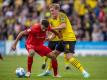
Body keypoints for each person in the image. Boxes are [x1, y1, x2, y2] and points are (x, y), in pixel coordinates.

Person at [38, 3, 90, 78]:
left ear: (57, 10)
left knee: (69, 57)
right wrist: (49, 38)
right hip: (62, 40)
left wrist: (52, 29)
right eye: (50, 11)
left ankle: (84, 72)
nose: (51, 12)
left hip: (69, 39)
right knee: (53, 55)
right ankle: (48, 71)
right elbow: (56, 33)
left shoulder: (62, 15)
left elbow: (63, 26)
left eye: (52, 10)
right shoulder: (52, 20)